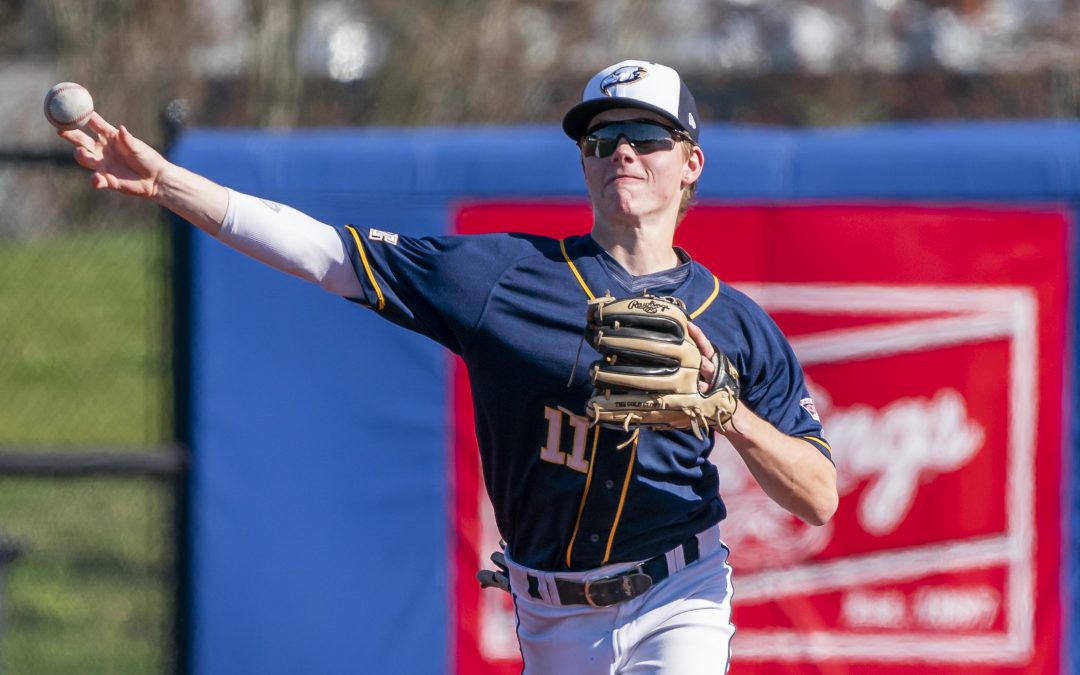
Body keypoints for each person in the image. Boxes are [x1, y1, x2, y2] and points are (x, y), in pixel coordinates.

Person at [60, 59, 837, 674]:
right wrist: (167, 183)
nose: (621, 151)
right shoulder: (506, 278)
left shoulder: (736, 324)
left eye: (644, 134)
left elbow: (818, 496)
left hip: (679, 592)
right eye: (600, 140)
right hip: (552, 613)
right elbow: (324, 253)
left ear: (691, 161)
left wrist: (728, 412)